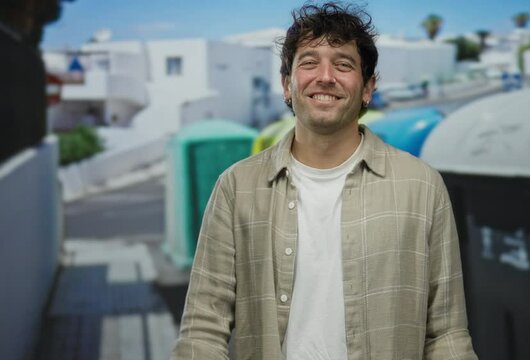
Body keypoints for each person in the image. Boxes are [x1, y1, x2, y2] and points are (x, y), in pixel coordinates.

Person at [171, 3, 477, 359]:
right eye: (309, 62)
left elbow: (447, 334)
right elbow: (202, 331)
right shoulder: (237, 187)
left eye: (344, 64)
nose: (325, 76)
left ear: (367, 87)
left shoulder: (422, 186)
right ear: (287, 85)